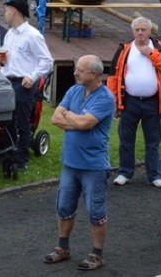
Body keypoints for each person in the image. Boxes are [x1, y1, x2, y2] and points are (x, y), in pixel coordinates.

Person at [43, 55, 115, 271]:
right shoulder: (74, 90)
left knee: (96, 211)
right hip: (70, 163)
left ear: (94, 74)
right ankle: (62, 247)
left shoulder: (105, 98)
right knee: (64, 206)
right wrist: (78, 121)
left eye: (80, 70)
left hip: (93, 165)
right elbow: (56, 118)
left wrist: (71, 117)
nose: (75, 73)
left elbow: (85, 123)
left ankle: (97, 254)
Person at [107, 17, 161, 187]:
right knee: (126, 139)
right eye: (137, 30)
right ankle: (124, 172)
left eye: (143, 29)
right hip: (129, 101)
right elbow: (113, 77)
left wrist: (151, 54)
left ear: (150, 31)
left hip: (153, 102)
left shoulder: (159, 47)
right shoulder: (124, 49)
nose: (140, 33)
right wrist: (113, 102)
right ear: (133, 31)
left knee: (153, 141)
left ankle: (154, 175)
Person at [0, 0, 53, 172]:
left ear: (14, 11)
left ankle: (22, 159)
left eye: (7, 10)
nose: (5, 14)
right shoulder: (9, 34)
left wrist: (32, 76)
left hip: (23, 84)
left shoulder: (32, 35)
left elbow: (46, 61)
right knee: (8, 120)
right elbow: (8, 62)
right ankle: (9, 153)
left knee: (23, 122)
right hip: (7, 81)